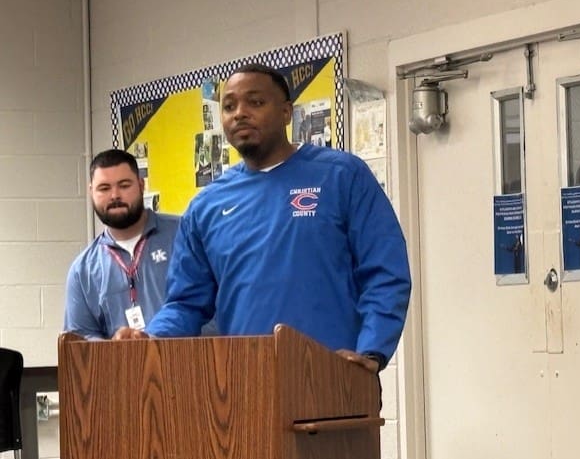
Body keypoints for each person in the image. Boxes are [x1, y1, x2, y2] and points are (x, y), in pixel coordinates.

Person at [114, 64, 411, 375]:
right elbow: (186, 303)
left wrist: (372, 351)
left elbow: (385, 272)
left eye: (255, 102)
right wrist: (150, 337)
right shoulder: (206, 206)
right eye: (229, 106)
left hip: (335, 378)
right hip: (245, 384)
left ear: (286, 112)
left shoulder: (341, 175)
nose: (240, 114)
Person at [64, 149, 217, 339]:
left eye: (124, 185)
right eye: (104, 188)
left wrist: (157, 343)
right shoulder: (83, 270)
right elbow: (81, 338)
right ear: (91, 192)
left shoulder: (185, 234)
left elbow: (216, 308)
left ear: (141, 185)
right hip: (123, 359)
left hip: (192, 356)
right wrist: (115, 348)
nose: (114, 195)